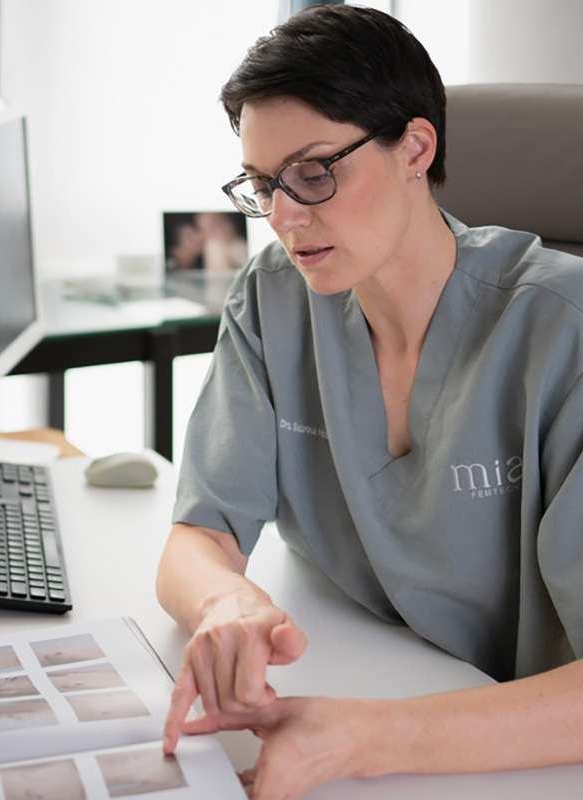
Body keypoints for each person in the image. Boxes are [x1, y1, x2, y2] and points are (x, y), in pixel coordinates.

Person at [156, 6, 583, 799]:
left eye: (316, 172)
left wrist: (367, 737)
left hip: (527, 757)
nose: (285, 217)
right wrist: (228, 607)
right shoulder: (276, 298)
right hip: (374, 674)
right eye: (263, 185)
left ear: (416, 148)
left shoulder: (566, 333)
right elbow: (199, 534)